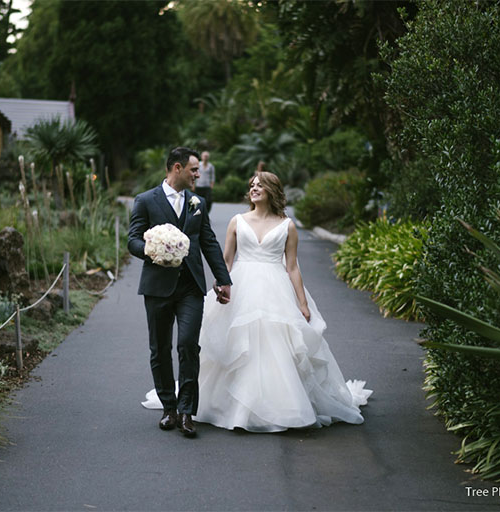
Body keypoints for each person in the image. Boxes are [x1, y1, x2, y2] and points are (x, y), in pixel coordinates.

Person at [143, 171, 372, 432]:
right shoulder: (237, 221)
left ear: (272, 190)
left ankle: (275, 406)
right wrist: (220, 285)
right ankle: (224, 406)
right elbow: (225, 261)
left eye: (260, 185)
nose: (254, 188)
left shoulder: (288, 225)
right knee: (237, 345)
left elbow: (293, 267)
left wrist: (302, 303)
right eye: (252, 185)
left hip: (276, 290)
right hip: (241, 287)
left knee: (276, 347)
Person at [128, 147, 232, 438]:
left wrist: (223, 279)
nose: (199, 174)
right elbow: (132, 240)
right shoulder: (146, 200)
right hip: (157, 287)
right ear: (177, 168)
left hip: (190, 287)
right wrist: (152, 250)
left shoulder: (198, 202)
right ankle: (169, 408)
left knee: (188, 345)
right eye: (194, 169)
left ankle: (187, 411)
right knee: (159, 349)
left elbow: (209, 241)